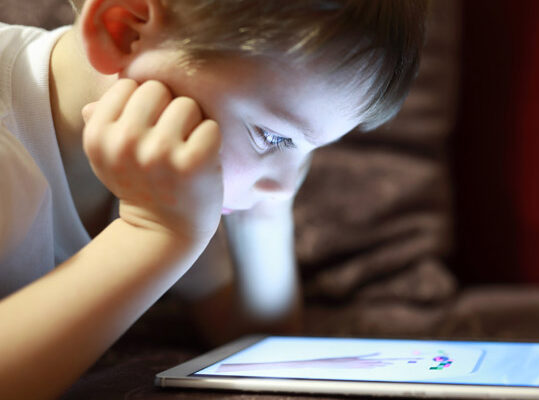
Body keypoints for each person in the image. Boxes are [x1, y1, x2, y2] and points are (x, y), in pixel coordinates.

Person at [0, 0, 427, 398]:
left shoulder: (165, 169)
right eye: (273, 137)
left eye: (308, 150)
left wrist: (263, 216)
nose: (285, 184)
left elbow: (255, 337)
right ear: (123, 31)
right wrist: (154, 233)